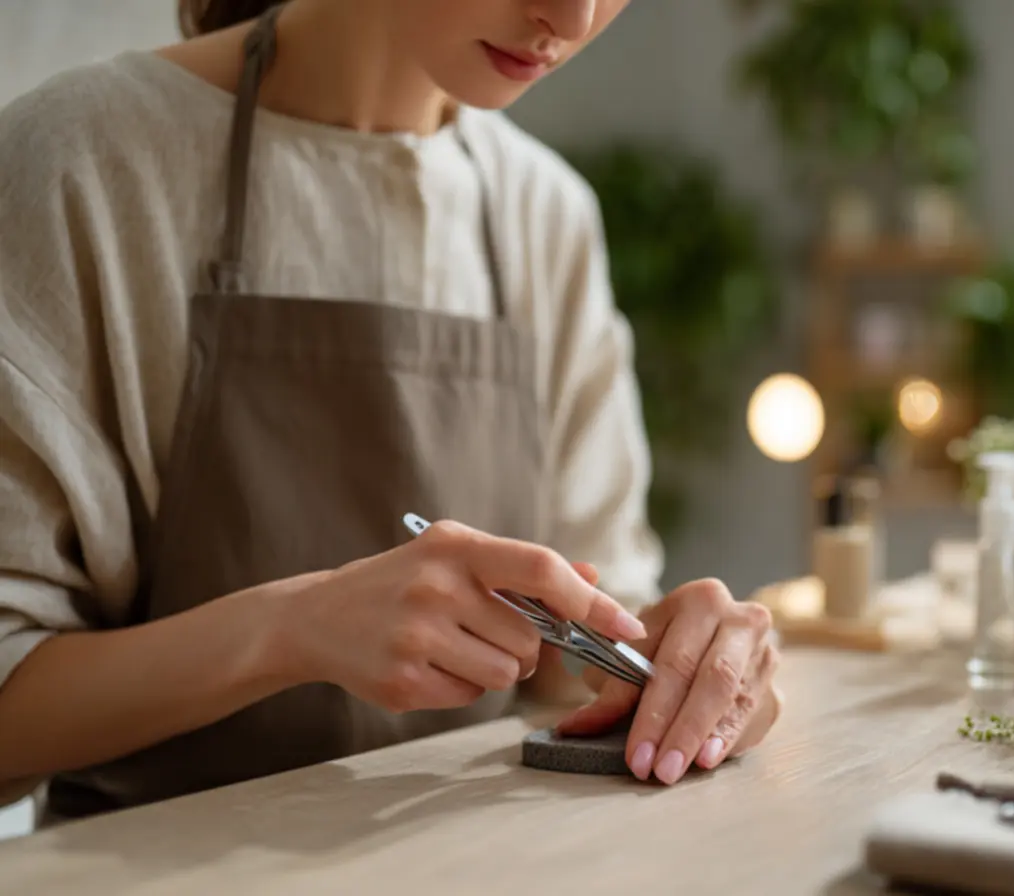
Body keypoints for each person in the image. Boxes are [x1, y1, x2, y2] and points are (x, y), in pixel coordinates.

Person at [0, 0, 781, 824]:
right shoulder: (81, 165)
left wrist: (677, 669)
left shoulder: (546, 215)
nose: (572, 14)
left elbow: (573, 659)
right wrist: (289, 631)